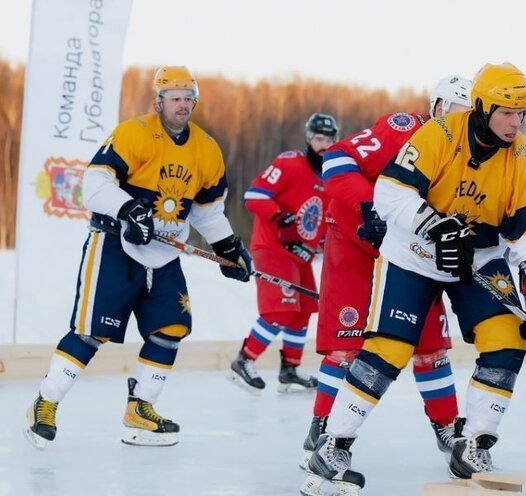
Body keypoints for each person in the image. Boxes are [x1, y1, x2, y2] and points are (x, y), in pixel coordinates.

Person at [300, 62, 526, 496]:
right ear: (480, 107)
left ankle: (474, 442)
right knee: (390, 347)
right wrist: (433, 226)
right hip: (413, 253)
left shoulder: (523, 159)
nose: (516, 123)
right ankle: (334, 444)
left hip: (477, 259)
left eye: (521, 114)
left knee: (507, 337)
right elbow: (391, 190)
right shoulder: (438, 134)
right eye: (506, 112)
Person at [24, 66, 252, 449]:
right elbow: (95, 184)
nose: (182, 104)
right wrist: (128, 209)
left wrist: (227, 246)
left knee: (171, 329)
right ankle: (45, 402)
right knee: (91, 332)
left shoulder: (207, 149)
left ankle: (140, 410)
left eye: (188, 98)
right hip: (115, 245)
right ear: (159, 100)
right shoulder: (134, 133)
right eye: (174, 97)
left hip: (164, 255)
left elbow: (208, 210)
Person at [299, 75, 474, 466]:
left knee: (431, 346)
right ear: (440, 108)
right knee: (347, 344)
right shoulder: (404, 130)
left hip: (410, 252)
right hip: (355, 241)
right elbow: (338, 158)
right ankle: (324, 426)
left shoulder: (471, 155)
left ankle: (447, 427)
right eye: (461, 115)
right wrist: (367, 205)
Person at [229, 113, 339, 394]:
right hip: (272, 248)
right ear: (308, 138)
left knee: (303, 312)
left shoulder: (331, 178)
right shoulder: (291, 163)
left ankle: (290, 369)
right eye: (318, 139)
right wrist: (280, 218)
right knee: (280, 310)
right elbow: (254, 195)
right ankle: (245, 359)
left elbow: (320, 225)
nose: (324, 145)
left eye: (329, 139)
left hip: (300, 255)